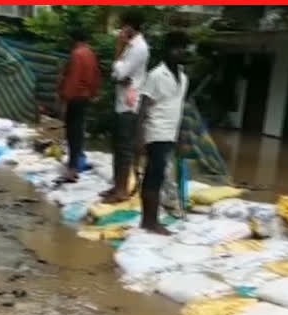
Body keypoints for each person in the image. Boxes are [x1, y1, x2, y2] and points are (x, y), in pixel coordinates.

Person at [135, 31, 190, 234]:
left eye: (184, 47)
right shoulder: (156, 75)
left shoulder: (183, 78)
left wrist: (182, 136)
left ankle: (150, 220)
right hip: (155, 132)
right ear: (167, 51)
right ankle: (149, 221)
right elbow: (143, 107)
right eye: (177, 47)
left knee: (159, 177)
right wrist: (139, 138)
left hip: (171, 133)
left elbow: (180, 107)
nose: (181, 51)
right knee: (153, 177)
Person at [101, 8, 150, 204]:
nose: (121, 30)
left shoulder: (138, 48)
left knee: (124, 148)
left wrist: (118, 49)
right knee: (118, 147)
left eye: (123, 26)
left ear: (130, 26)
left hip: (129, 105)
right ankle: (116, 186)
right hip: (122, 101)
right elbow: (118, 76)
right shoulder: (132, 45)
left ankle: (121, 190)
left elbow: (118, 74)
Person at [56, 26, 101, 184]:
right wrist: (94, 93)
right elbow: (96, 75)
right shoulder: (91, 54)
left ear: (73, 40)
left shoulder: (77, 54)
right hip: (85, 97)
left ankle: (72, 169)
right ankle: (73, 165)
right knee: (79, 131)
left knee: (72, 132)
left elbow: (73, 79)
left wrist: (64, 99)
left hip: (75, 97)